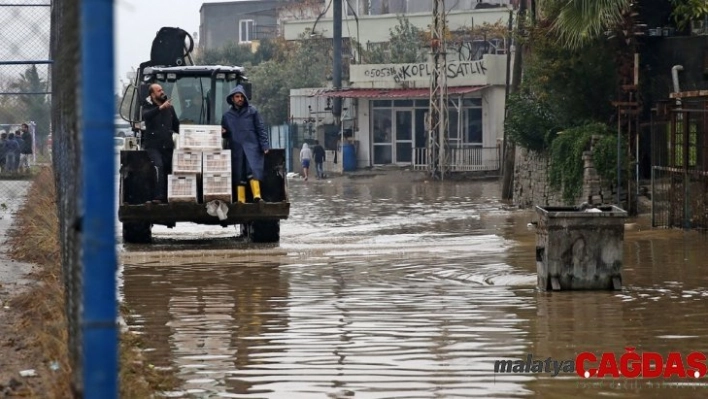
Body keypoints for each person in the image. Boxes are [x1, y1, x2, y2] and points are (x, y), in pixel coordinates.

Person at [221, 85, 269, 203]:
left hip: (252, 147)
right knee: (239, 173)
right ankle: (240, 200)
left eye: (242, 96)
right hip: (236, 149)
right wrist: (223, 132)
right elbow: (225, 134)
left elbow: (260, 129)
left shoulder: (252, 111)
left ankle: (257, 196)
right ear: (232, 99)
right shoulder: (227, 116)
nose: (240, 99)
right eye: (237, 96)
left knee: (252, 170)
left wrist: (265, 145)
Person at [142, 83, 179, 203]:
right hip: (153, 146)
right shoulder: (147, 107)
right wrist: (160, 108)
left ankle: (169, 196)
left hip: (167, 146)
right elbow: (146, 116)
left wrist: (192, 133)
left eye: (162, 90)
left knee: (170, 169)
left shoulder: (170, 109)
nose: (162, 92)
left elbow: (177, 126)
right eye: (159, 91)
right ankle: (158, 197)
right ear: (152, 94)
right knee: (159, 166)